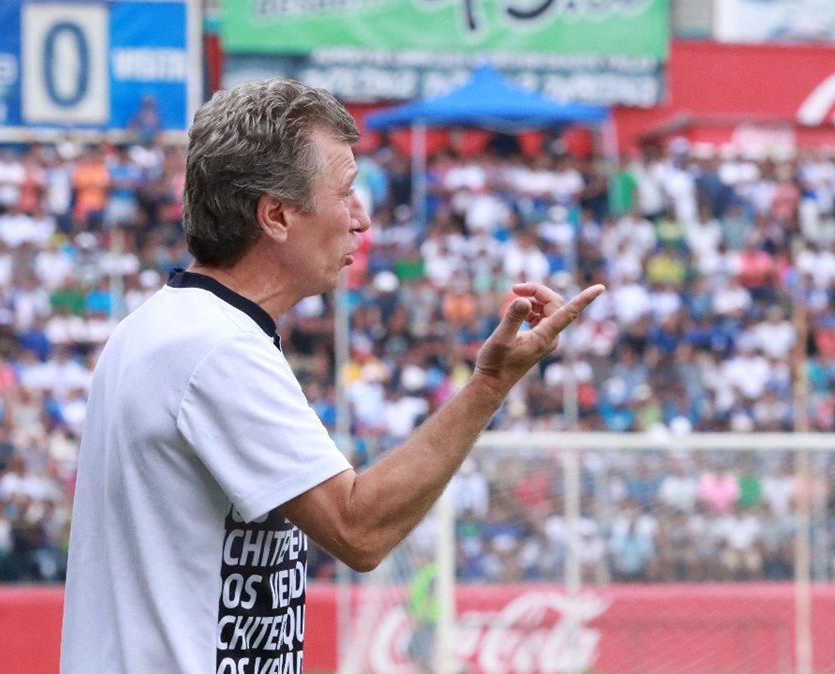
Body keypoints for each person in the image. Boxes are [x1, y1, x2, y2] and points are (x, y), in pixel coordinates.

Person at [59, 79, 604, 673]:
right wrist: (489, 387)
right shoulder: (214, 346)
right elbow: (358, 528)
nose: (363, 220)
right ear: (276, 215)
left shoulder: (167, 327)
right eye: (346, 193)